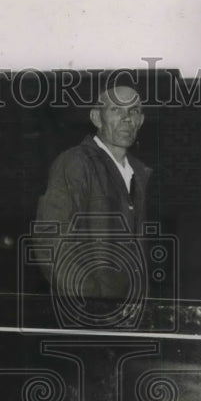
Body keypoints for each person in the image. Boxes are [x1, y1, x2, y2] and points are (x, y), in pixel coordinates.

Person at [34, 83, 152, 299]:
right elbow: (49, 241)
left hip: (131, 315)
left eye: (133, 111)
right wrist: (92, 298)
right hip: (91, 314)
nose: (127, 118)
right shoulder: (76, 163)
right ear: (97, 118)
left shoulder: (140, 173)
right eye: (116, 109)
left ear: (141, 121)